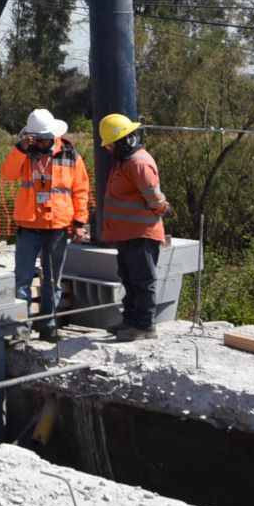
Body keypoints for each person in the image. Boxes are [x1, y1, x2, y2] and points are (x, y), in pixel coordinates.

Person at [0, 108, 91, 344]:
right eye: (34, 139)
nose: (38, 143)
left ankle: (48, 325)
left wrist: (80, 222)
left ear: (52, 135)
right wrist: (20, 149)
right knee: (22, 281)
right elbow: (7, 174)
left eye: (42, 139)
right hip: (29, 227)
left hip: (57, 227)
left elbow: (80, 191)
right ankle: (21, 328)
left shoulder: (70, 155)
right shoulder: (24, 153)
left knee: (52, 281)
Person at [96, 113, 169, 341]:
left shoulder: (138, 163)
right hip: (127, 233)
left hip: (142, 233)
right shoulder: (124, 161)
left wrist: (162, 209)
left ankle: (145, 326)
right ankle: (130, 320)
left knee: (142, 281)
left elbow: (154, 198)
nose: (109, 150)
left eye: (111, 145)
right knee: (128, 279)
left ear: (125, 141)